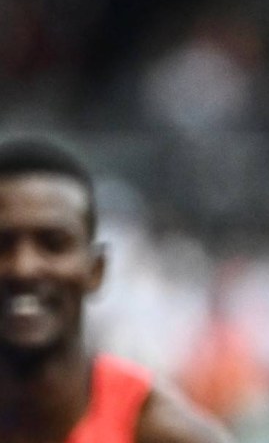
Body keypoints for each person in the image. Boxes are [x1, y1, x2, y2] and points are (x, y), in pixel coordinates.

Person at [0, 137, 233, 443]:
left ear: (96, 270)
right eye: (2, 244)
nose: (24, 268)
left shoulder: (163, 434)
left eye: (53, 244)